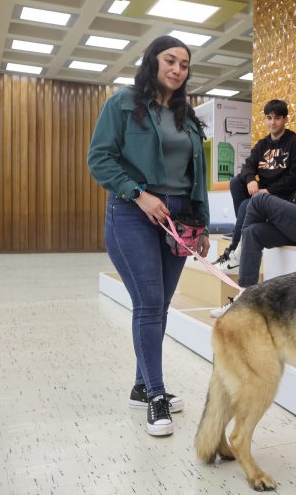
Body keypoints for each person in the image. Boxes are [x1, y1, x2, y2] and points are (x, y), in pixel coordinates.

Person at [87, 35, 210, 436]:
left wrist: (202, 223)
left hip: (179, 218)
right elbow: (99, 159)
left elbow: (198, 177)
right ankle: (156, 395)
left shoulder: (186, 116)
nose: (177, 69)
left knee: (161, 305)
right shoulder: (122, 103)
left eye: (185, 65)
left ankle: (142, 386)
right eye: (170, 61)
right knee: (149, 302)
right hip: (133, 214)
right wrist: (139, 195)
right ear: (152, 62)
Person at [210, 125, 296, 317]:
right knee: (254, 232)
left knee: (259, 200)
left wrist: (281, 212)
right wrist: (283, 212)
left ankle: (236, 255)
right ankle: (245, 297)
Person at [218, 99, 296, 267]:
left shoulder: (294, 143)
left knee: (245, 205)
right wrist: (251, 179)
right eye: (269, 118)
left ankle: (236, 249)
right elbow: (247, 166)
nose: (272, 122)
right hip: (262, 195)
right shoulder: (262, 144)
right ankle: (245, 228)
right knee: (236, 182)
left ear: (285, 120)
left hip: (282, 196)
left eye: (277, 118)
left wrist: (269, 191)